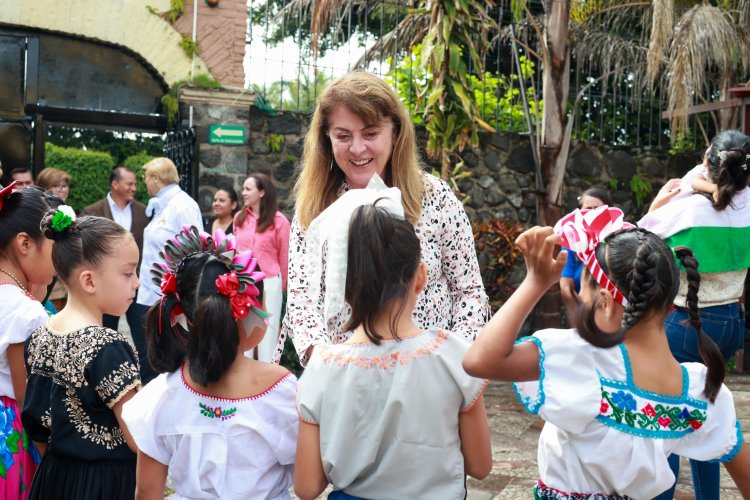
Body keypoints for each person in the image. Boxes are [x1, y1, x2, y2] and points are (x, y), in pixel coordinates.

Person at [462, 206, 750, 499]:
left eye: (583, 292)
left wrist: (535, 282)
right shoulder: (701, 391)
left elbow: (479, 360)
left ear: (606, 302)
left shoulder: (582, 359)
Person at [281, 71, 489, 366]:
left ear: (395, 132)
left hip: (429, 375)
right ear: (326, 140)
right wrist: (325, 364)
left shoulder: (435, 197)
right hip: (347, 380)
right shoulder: (315, 210)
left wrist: (452, 363)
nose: (357, 148)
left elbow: (468, 291)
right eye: (342, 135)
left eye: (370, 133)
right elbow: (302, 298)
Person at [295, 200, 492, 500]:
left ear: (345, 285)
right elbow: (479, 466)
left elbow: (307, 487)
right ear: (421, 276)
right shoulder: (453, 357)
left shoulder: (323, 365)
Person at [121, 226, 298, 499]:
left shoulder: (161, 395)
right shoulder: (281, 390)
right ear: (249, 310)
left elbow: (146, 493)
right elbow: (307, 479)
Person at [639, 129, 750, 500]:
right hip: (733, 324)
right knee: (707, 411)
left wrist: (657, 204)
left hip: (687, 326)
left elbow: (636, 245)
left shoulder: (683, 208)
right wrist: (712, 186)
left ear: (708, 164)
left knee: (666, 418)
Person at [22, 209, 141, 500]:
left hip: (54, 477)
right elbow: (140, 437)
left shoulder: (41, 335)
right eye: (128, 273)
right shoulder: (106, 345)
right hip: (104, 483)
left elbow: (37, 426)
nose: (137, 283)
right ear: (89, 281)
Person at [0, 183, 59, 499]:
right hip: (10, 436)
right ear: (24, 243)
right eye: (54, 245)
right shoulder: (26, 312)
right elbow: (30, 404)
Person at [131, 157, 202, 384]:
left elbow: (193, 252)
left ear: (156, 178)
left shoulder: (183, 206)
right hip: (150, 294)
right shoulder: (163, 205)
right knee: (150, 357)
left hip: (168, 298)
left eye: (145, 178)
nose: (144, 183)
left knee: (166, 358)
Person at [81, 166, 148, 331]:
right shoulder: (92, 212)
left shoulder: (144, 212)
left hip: (136, 286)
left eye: (135, 184)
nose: (134, 188)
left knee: (143, 338)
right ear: (115, 184)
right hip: (105, 287)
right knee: (104, 334)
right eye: (130, 184)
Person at [233, 174, 290, 362]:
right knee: (243, 333)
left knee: (268, 335)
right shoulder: (239, 219)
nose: (243, 193)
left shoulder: (280, 221)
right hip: (243, 284)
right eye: (243, 188)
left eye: (248, 189)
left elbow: (285, 258)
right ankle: (242, 382)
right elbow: (234, 252)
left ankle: (267, 382)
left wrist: (282, 289)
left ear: (262, 192)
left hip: (270, 283)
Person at [559, 187, 611, 315]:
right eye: (588, 208)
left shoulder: (616, 240)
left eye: (598, 208)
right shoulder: (571, 243)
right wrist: (583, 315)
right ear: (579, 212)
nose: (593, 212)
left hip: (612, 313)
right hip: (581, 314)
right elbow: (566, 288)